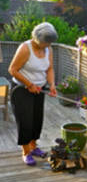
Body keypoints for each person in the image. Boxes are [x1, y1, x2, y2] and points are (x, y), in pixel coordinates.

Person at [8, 22, 58, 166]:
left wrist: (52, 84)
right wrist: (29, 84)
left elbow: (50, 69)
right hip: (22, 90)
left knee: (37, 120)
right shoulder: (25, 48)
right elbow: (13, 70)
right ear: (36, 38)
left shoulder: (49, 49)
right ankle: (26, 152)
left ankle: (34, 147)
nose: (46, 46)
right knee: (25, 121)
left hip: (39, 89)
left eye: (48, 44)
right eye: (44, 43)